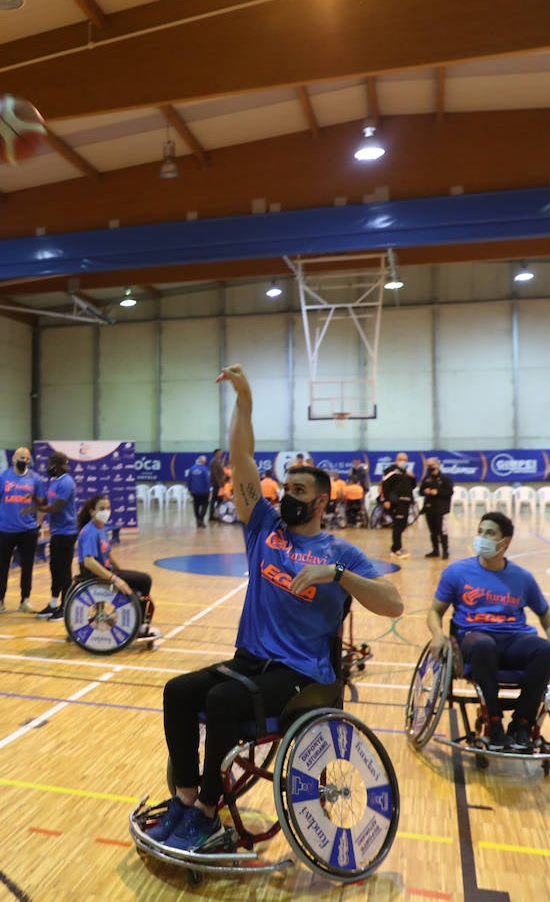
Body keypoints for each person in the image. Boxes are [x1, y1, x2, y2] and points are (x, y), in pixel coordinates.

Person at [147, 365, 403, 853]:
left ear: (322, 500)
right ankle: (182, 800)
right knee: (178, 690)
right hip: (250, 661)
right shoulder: (264, 527)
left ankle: (207, 810)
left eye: (299, 491)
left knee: (222, 702)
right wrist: (244, 402)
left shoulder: (339, 552)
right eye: (286, 489)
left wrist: (339, 577)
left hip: (302, 672)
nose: (288, 496)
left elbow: (393, 604)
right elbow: (241, 457)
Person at [427, 512, 550, 752]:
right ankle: (494, 724)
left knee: (547, 650)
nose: (482, 537)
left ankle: (522, 724)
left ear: (505, 541)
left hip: (514, 639)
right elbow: (435, 611)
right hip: (473, 637)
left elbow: (546, 612)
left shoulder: (522, 577)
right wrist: (437, 634)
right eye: (480, 531)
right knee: (483, 645)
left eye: (490, 533)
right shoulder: (457, 572)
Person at [74, 493, 157, 638]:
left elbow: (108, 554)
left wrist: (119, 571)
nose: (106, 511)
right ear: (92, 512)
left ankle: (139, 622)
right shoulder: (89, 532)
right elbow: (89, 562)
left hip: (106, 571)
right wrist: (116, 579)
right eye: (102, 508)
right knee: (144, 580)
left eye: (108, 508)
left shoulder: (101, 528)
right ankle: (138, 625)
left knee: (140, 582)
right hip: (95, 574)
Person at [0, 445, 44, 615]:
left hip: (28, 531)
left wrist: (38, 524)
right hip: (5, 530)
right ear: (13, 458)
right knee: (3, 567)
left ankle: (25, 600)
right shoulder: (2, 478)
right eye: (21, 458)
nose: (24, 461)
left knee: (27, 567)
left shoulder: (35, 479)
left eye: (27, 458)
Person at [36, 451, 77, 620]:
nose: (48, 467)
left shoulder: (66, 483)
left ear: (57, 465)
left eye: (50, 464)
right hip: (57, 532)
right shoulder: (54, 482)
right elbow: (46, 502)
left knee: (64, 571)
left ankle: (65, 606)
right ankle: (53, 603)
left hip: (67, 532)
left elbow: (55, 508)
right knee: (54, 569)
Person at [380, 452, 416, 560]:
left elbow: (412, 487)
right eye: (401, 459)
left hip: (406, 502)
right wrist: (386, 500)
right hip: (396, 502)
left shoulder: (405, 473)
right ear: (396, 460)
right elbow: (385, 485)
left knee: (403, 524)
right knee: (398, 524)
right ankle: (396, 549)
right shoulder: (391, 471)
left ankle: (397, 546)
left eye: (405, 459)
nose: (403, 461)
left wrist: (413, 478)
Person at [419, 457, 454, 559]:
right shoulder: (427, 479)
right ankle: (435, 550)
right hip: (429, 509)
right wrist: (425, 491)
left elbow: (450, 492)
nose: (430, 468)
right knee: (433, 531)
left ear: (437, 465)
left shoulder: (445, 479)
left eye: (431, 466)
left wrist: (437, 492)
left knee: (442, 531)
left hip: (441, 509)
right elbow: (420, 492)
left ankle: (445, 551)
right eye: (428, 466)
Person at [184, 455, 210, 528]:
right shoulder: (205, 469)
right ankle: (201, 519)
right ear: (203, 461)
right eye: (205, 461)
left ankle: (198, 519)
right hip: (203, 491)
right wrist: (208, 490)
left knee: (196, 505)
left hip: (194, 491)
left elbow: (188, 480)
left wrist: (189, 490)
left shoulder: (191, 469)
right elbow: (207, 480)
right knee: (205, 505)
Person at [207, 449, 226, 521]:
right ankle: (213, 515)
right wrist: (219, 483)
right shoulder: (214, 461)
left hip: (219, 484)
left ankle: (216, 515)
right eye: (220, 452)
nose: (221, 454)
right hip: (217, 485)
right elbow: (215, 474)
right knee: (216, 500)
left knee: (218, 500)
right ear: (216, 453)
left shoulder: (218, 461)